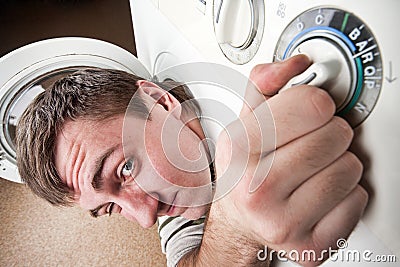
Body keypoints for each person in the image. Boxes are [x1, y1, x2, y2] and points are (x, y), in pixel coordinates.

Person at [16, 55, 367, 266]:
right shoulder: (175, 203)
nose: (145, 217)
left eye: (125, 169)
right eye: (110, 208)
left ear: (158, 100)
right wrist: (236, 228)